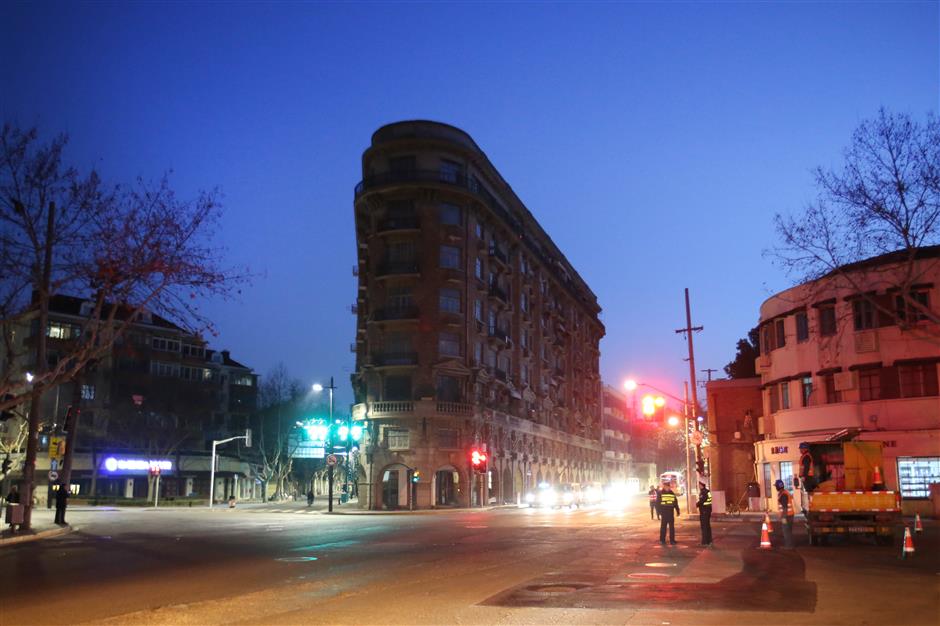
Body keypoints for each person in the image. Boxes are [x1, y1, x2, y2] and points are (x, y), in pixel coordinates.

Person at [775, 479, 795, 549]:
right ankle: (789, 545)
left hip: (786, 516)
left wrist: (783, 517)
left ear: (777, 487)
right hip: (789, 515)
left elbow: (785, 507)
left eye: (776, 486)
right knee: (788, 531)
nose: (775, 488)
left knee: (786, 531)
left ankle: (788, 546)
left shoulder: (783, 495)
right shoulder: (784, 493)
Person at [696, 482, 713, 546]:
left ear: (701, 485)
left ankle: (704, 542)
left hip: (704, 511)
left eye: (699, 485)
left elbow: (702, 501)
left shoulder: (703, 492)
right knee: (708, 526)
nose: (699, 486)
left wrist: (697, 504)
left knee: (704, 526)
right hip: (708, 510)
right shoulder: (708, 491)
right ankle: (709, 541)